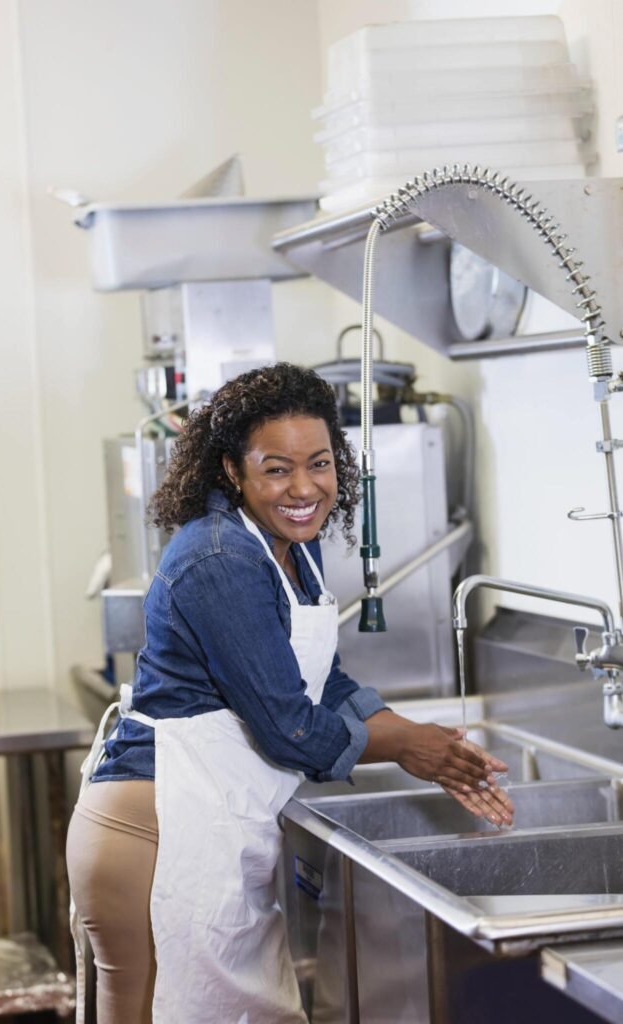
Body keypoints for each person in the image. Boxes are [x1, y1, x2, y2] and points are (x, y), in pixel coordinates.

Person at [66, 362, 513, 1024]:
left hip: (200, 823)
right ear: (231, 470)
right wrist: (403, 746)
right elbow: (288, 727)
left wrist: (405, 730)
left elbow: (318, 678)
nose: (304, 487)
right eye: (276, 469)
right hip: (154, 832)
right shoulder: (223, 556)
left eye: (320, 463)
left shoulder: (287, 549)